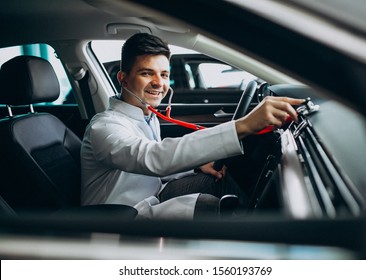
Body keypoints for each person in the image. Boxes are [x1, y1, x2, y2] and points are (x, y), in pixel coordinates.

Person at [80, 33, 304, 220]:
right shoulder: (105, 127)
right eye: (147, 73)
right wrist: (243, 126)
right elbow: (152, 158)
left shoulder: (147, 117)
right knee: (209, 206)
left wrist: (195, 167)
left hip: (154, 196)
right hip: (120, 218)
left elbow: (150, 172)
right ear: (123, 79)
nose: (159, 83)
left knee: (217, 181)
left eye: (164, 74)